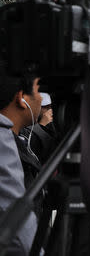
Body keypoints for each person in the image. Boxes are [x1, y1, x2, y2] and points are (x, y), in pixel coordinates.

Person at [0, 74, 41, 255]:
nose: (41, 98)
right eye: (40, 90)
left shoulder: (16, 142)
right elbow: (24, 242)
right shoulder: (3, 144)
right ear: (22, 98)